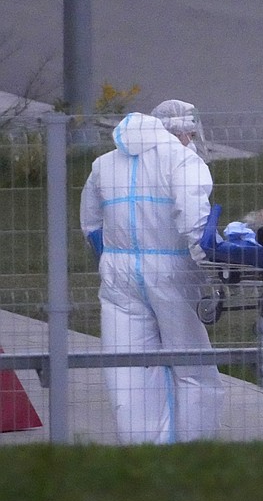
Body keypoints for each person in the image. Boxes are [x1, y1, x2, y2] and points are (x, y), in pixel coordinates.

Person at [80, 100, 224, 444]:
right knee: (192, 369)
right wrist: (212, 264)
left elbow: (91, 225)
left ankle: (143, 456)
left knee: (129, 371)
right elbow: (194, 225)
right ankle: (193, 454)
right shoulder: (184, 161)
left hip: (119, 275)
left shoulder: (103, 164)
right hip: (172, 270)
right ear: (186, 132)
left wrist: (114, 258)